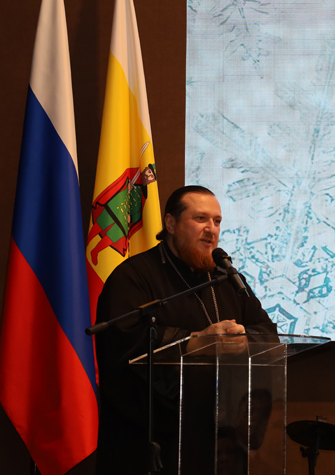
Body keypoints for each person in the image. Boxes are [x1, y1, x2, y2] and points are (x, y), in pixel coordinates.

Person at [95, 185, 277, 475]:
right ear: (171, 223)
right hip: (150, 442)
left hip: (217, 439)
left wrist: (246, 340)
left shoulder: (227, 277)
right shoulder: (134, 276)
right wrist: (195, 342)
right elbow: (123, 341)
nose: (211, 229)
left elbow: (268, 332)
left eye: (217, 221)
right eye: (200, 219)